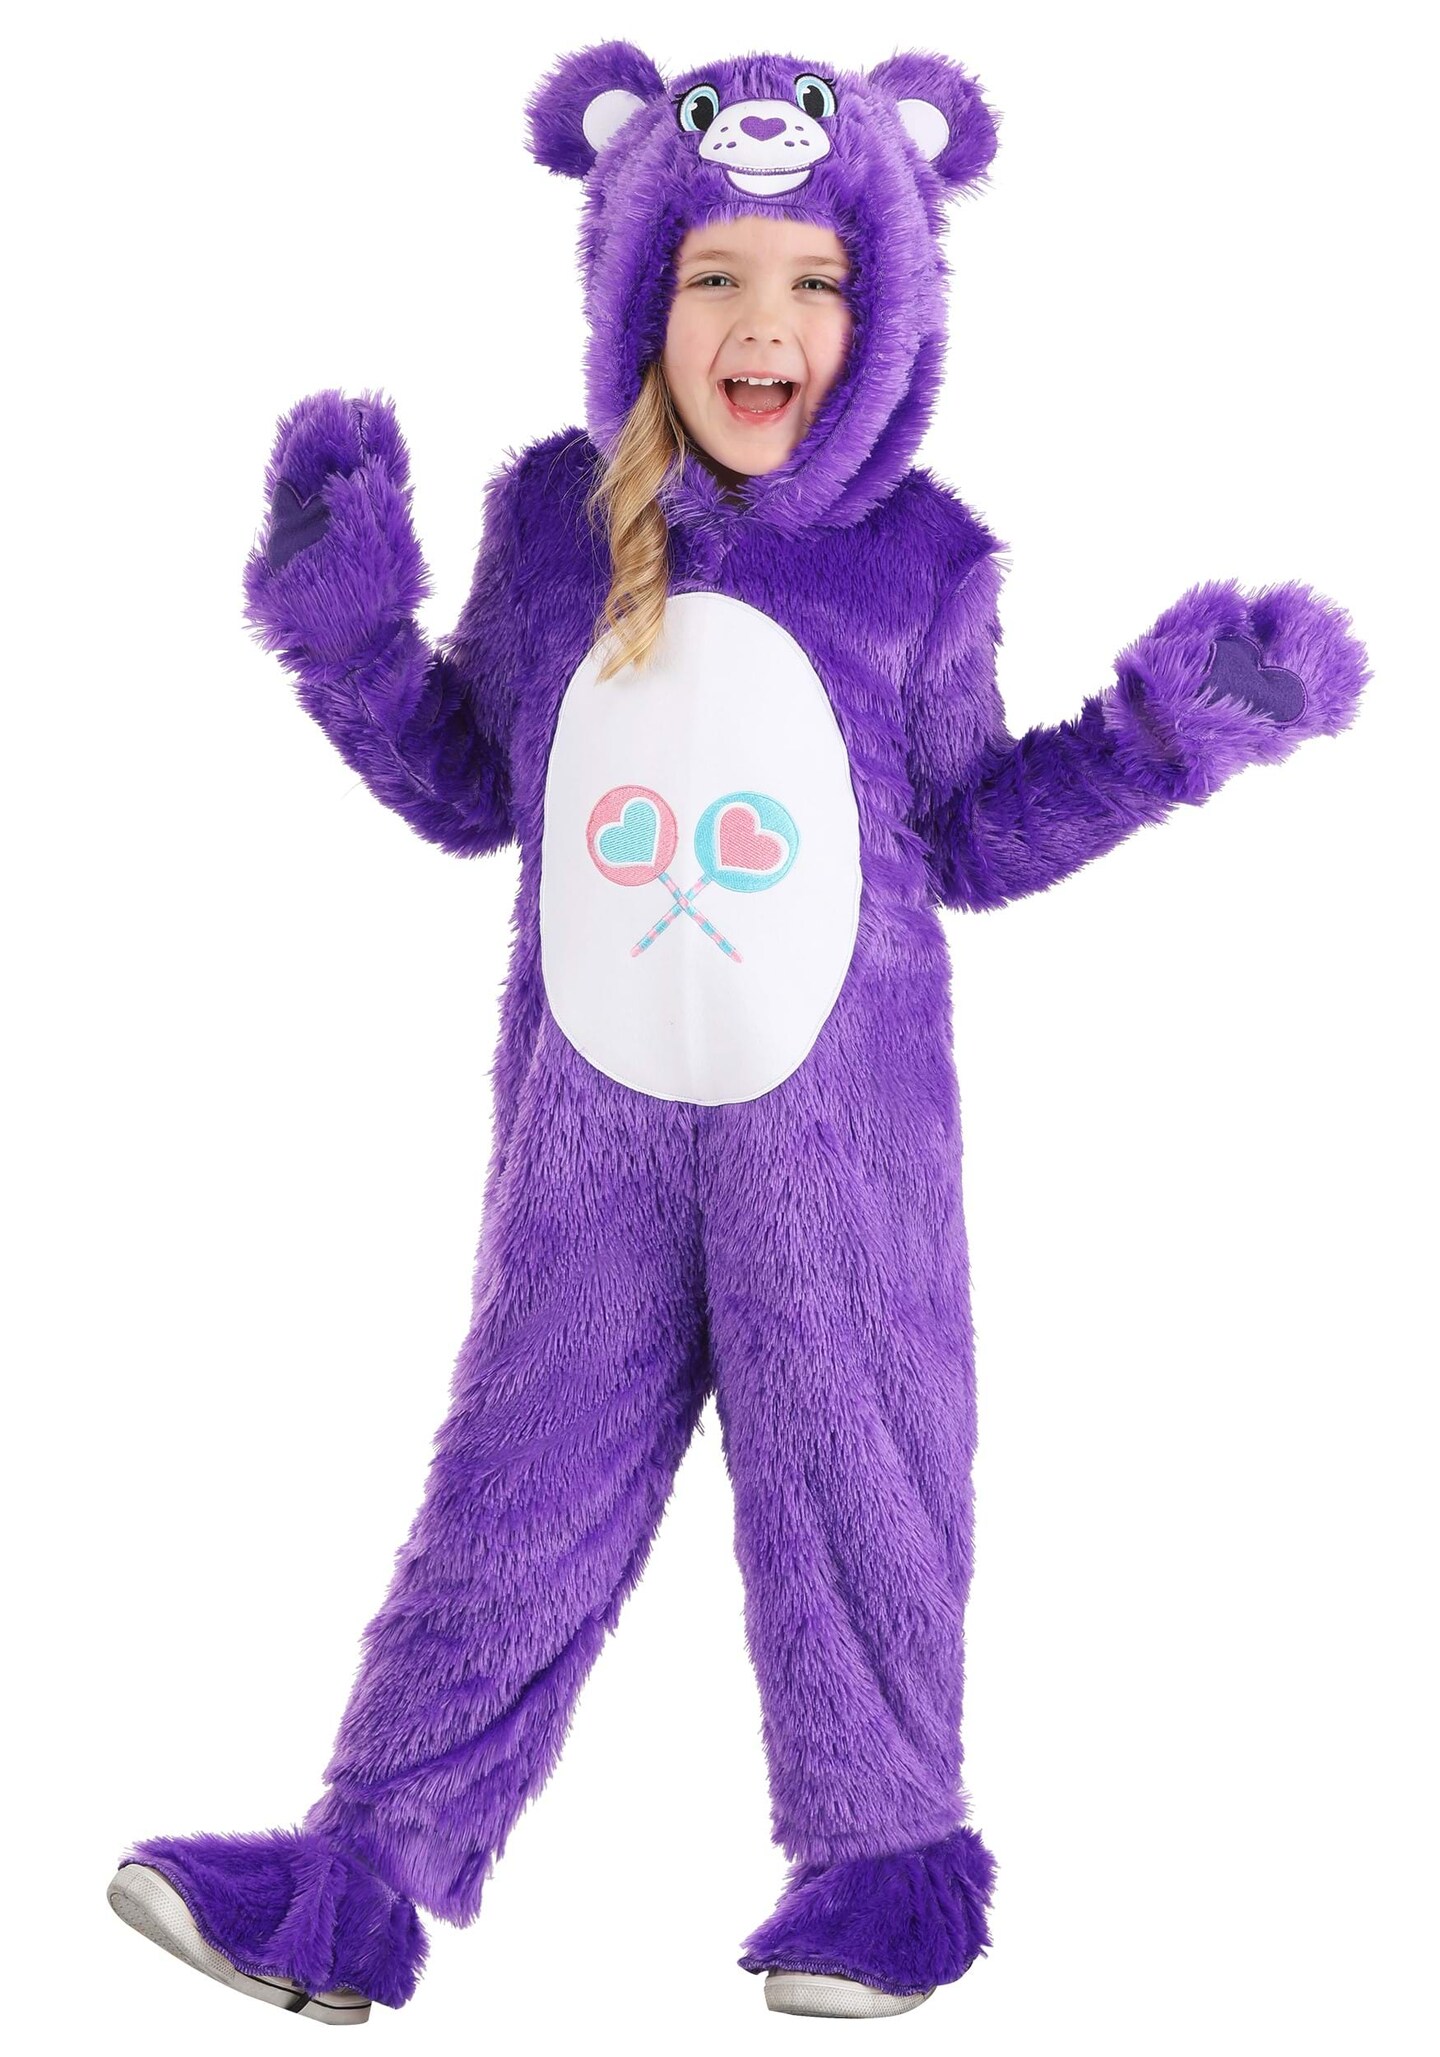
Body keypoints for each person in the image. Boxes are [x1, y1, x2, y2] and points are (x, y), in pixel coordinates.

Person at [107, 42, 1369, 2025]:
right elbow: (471, 788)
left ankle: (890, 1861)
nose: (763, 324)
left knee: (860, 1484)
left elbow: (964, 831)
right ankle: (361, 1881)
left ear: (890, 309)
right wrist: (349, 642)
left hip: (840, 1152)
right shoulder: (549, 526)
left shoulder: (925, 560)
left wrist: (1155, 744)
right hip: (587, 1146)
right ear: (636, 290)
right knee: (509, 1495)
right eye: (712, 275)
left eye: (817, 281)